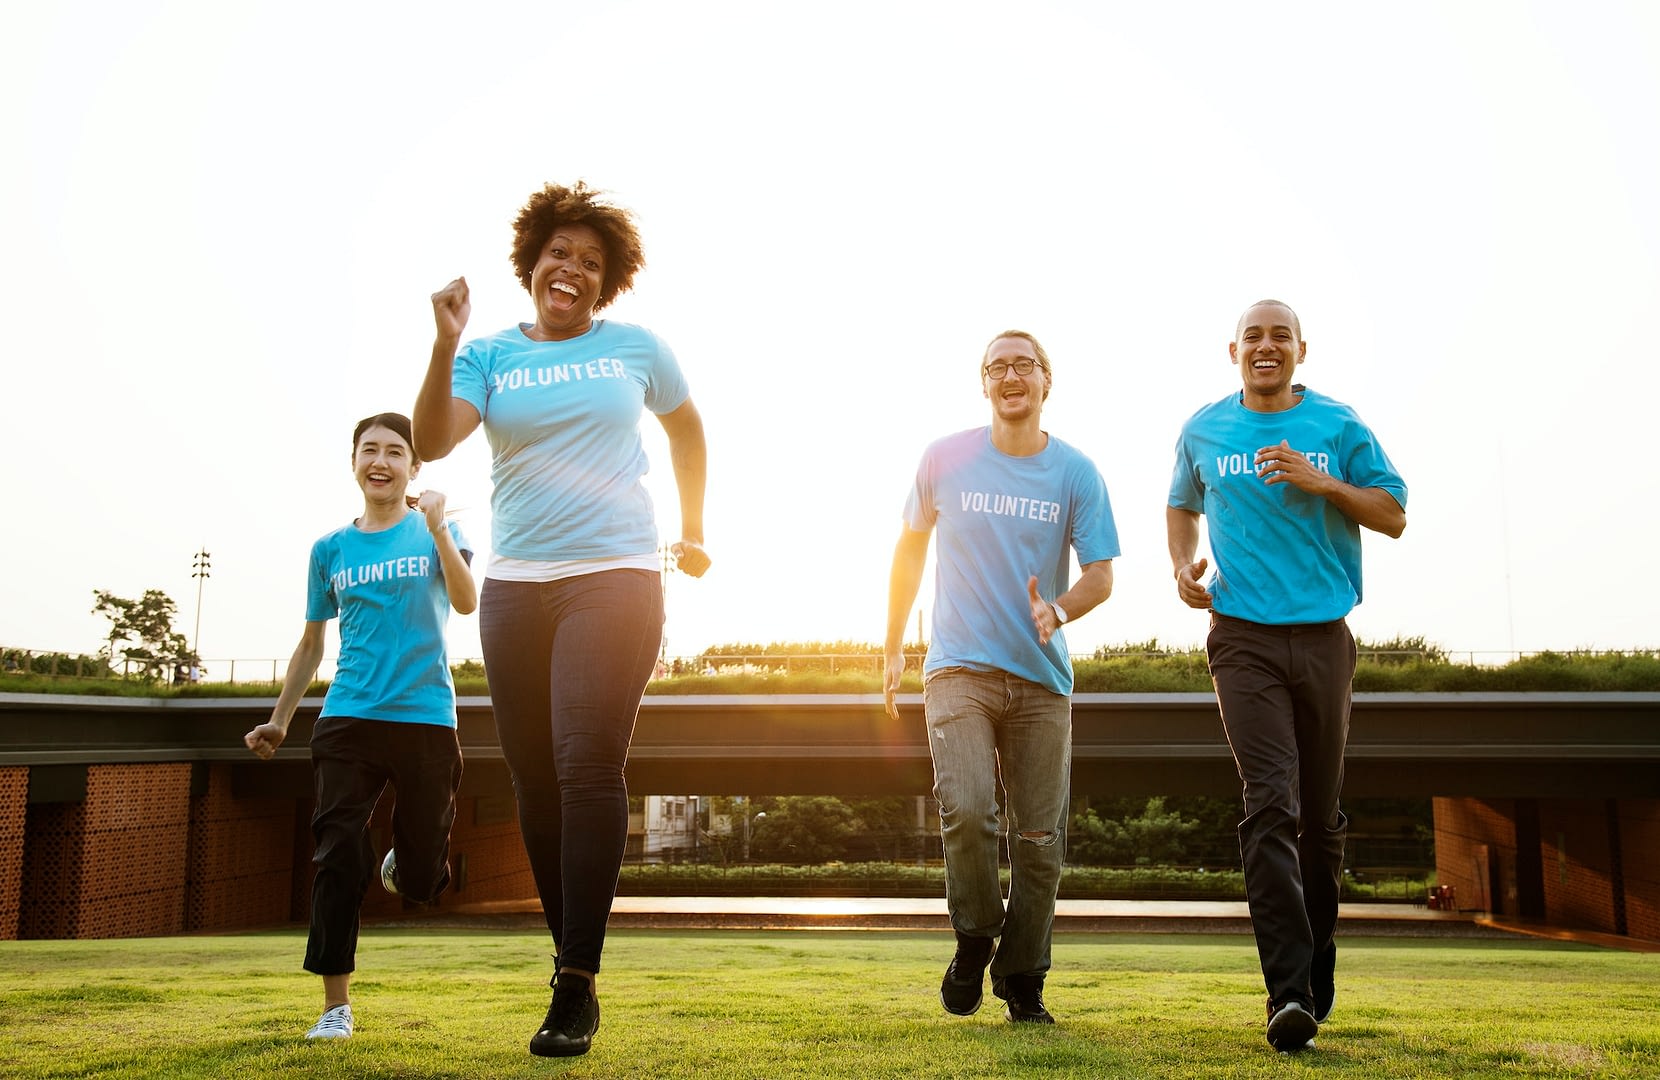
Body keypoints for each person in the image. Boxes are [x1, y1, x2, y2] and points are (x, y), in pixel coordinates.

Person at [412, 181, 710, 1059]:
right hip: (515, 585)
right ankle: (567, 956)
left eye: (589, 261)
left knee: (587, 763)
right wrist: (443, 343)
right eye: (558, 255)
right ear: (532, 264)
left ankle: (575, 981)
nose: (570, 269)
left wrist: (693, 527)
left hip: (614, 573)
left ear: (606, 281)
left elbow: (690, 432)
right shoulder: (491, 355)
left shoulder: (636, 348)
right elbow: (433, 441)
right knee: (534, 781)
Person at [1166, 299, 1407, 1052]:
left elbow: (1394, 513)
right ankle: (1288, 994)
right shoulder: (1204, 428)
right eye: (1253, 336)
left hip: (1324, 636)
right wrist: (1182, 566)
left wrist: (1322, 482)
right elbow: (1180, 505)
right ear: (1232, 349)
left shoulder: (1337, 425)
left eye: (1280, 335)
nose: (1266, 346)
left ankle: (1316, 957)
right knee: (1268, 802)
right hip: (1241, 639)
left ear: (1301, 349)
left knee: (1319, 818)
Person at [884, 330, 1119, 1026]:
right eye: (996, 367)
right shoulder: (945, 458)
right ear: (984, 383)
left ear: (1047, 380)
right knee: (967, 807)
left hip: (1042, 681)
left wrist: (1061, 608)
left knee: (1040, 841)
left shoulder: (1076, 472)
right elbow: (907, 549)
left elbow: (1101, 573)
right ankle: (974, 935)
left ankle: (1023, 981)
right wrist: (892, 644)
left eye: (1024, 364)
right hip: (957, 667)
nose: (1010, 374)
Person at [243, 412, 477, 1041]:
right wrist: (278, 721)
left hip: (426, 717)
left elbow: (466, 599)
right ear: (354, 463)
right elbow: (310, 645)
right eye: (369, 450)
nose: (381, 460)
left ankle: (411, 859)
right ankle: (334, 1007)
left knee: (425, 881)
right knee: (337, 855)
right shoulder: (330, 550)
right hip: (347, 718)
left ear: (413, 467)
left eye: (394, 451)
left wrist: (436, 527)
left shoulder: (438, 529)